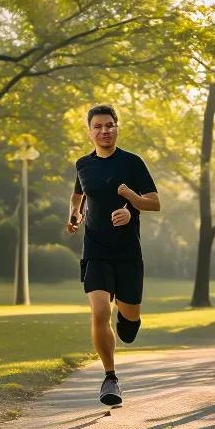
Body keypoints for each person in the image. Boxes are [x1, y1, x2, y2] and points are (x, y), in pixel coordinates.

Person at [66, 104, 160, 406]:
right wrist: (75, 215)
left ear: (117, 127)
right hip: (95, 249)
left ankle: (129, 319)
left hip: (128, 252)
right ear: (90, 131)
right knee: (99, 312)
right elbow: (78, 193)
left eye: (110, 125)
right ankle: (110, 377)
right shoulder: (83, 164)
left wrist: (131, 203)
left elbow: (155, 202)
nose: (104, 131)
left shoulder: (132, 163)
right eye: (98, 126)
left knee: (128, 324)